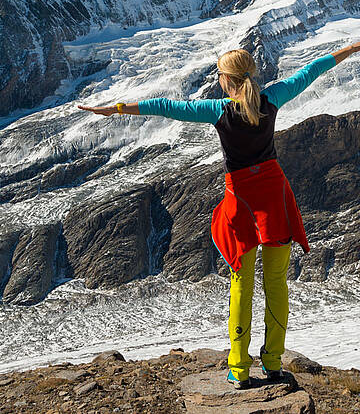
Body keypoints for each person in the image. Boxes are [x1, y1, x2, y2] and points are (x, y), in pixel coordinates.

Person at [77, 41, 359, 389]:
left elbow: (166, 107)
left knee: (241, 284)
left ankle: (239, 369)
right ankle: (272, 362)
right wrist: (353, 46)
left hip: (240, 200)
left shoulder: (218, 111)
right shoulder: (272, 98)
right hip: (274, 197)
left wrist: (116, 109)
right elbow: (313, 70)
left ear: (227, 81)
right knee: (276, 285)